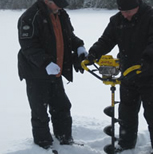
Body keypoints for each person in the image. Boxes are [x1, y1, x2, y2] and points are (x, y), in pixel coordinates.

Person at [87, 0, 153, 153]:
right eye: (122, 12)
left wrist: (147, 59)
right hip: (127, 74)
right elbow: (106, 40)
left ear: (137, 6)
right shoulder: (117, 20)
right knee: (126, 112)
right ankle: (125, 144)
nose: (125, 15)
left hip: (150, 74)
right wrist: (93, 53)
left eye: (128, 12)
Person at [17, 0, 87, 149]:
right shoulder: (30, 17)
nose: (61, 7)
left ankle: (65, 140)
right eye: (59, 3)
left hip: (56, 71)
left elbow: (69, 36)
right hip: (36, 73)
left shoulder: (61, 14)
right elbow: (28, 46)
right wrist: (45, 63)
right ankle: (43, 145)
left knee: (62, 106)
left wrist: (79, 46)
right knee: (40, 111)